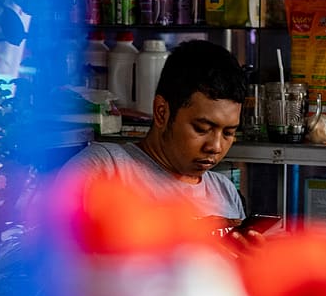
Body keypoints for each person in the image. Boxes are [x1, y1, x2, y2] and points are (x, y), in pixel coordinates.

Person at [58, 39, 264, 248]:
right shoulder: (103, 169)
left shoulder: (224, 191)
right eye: (201, 129)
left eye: (228, 133)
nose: (216, 146)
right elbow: (53, 260)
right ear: (162, 112)